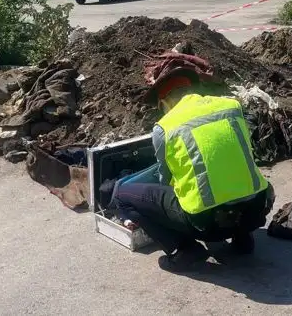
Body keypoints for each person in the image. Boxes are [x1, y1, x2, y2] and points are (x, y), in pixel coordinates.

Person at [112, 67, 274, 272]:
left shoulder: (165, 127)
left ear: (164, 102)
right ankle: (242, 237)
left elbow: (165, 180)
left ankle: (184, 249)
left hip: (206, 225)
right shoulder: (232, 107)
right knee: (235, 174)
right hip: (255, 210)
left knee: (121, 194)